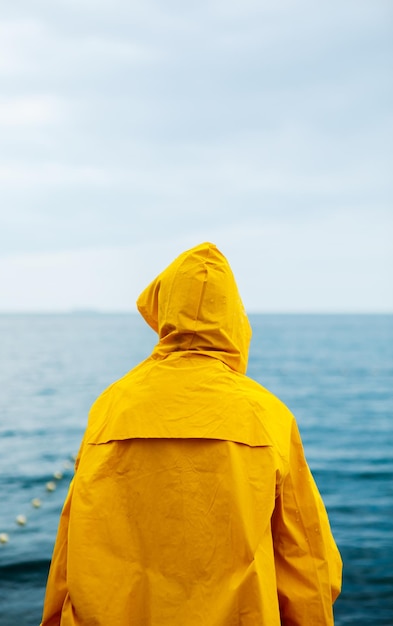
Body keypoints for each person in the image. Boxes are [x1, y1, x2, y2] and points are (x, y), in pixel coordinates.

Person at [40, 242, 342, 626]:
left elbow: (70, 544)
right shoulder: (266, 414)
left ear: (164, 312)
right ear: (234, 320)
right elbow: (307, 558)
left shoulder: (112, 405)